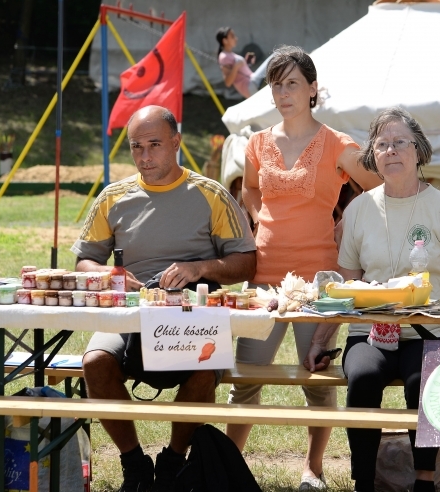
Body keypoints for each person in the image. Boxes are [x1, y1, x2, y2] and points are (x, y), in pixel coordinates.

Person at [72, 106, 256, 492]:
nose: (144, 156)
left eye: (154, 145)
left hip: (191, 315)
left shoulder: (211, 194)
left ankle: (172, 463)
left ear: (176, 142)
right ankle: (134, 465)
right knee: (95, 362)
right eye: (136, 147)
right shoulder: (113, 197)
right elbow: (84, 261)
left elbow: (246, 263)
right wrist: (112, 274)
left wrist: (200, 268)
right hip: (130, 314)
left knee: (207, 367)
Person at [303, 108, 440, 492]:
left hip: (430, 330)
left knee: (423, 380)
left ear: (418, 150)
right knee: (364, 377)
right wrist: (321, 341)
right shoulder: (358, 210)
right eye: (382, 144)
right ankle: (363, 482)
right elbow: (346, 285)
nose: (391, 151)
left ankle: (423, 481)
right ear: (373, 155)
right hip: (371, 330)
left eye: (400, 142)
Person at [227, 46, 382, 491]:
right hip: (264, 278)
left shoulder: (337, 143)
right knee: (245, 378)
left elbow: (376, 190)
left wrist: (346, 231)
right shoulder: (257, 143)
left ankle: (313, 469)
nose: (283, 91)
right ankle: (227, 465)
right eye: (276, 83)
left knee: (316, 379)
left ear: (313, 89)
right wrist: (264, 223)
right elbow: (251, 191)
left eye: (292, 82)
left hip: (318, 280)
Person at [216, 27, 273, 99]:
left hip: (252, 81)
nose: (236, 38)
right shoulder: (224, 56)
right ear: (225, 40)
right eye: (232, 36)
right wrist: (236, 66)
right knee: (275, 57)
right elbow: (228, 83)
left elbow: (240, 71)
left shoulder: (231, 54)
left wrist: (247, 62)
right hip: (250, 85)